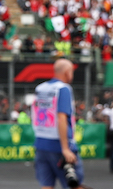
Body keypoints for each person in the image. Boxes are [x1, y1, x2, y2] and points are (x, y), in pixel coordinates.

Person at [32, 59, 82, 189]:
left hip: (41, 143)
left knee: (46, 185)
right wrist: (65, 148)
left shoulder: (40, 88)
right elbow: (61, 118)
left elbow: (35, 114)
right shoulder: (63, 89)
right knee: (73, 184)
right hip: (59, 145)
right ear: (67, 72)